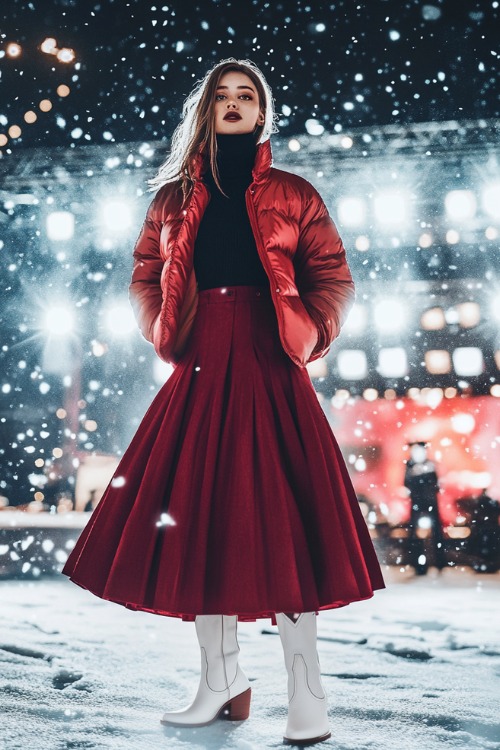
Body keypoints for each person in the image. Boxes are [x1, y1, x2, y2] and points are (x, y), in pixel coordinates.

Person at [61, 57, 386, 746]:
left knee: (289, 529)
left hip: (272, 362)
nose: (235, 104)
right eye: (222, 96)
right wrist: (161, 327)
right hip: (203, 362)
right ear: (206, 111)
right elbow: (145, 273)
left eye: (247, 96)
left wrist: (310, 329)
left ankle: (307, 691)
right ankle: (221, 683)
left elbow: (332, 273)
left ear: (262, 113)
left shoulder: (296, 191)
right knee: (203, 523)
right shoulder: (173, 199)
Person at [404, 441, 446, 574]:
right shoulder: (410, 466)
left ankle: (439, 563)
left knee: (436, 534)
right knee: (415, 535)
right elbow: (406, 484)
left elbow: (436, 485)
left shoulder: (430, 466)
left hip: (430, 505)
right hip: (417, 506)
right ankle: (418, 566)